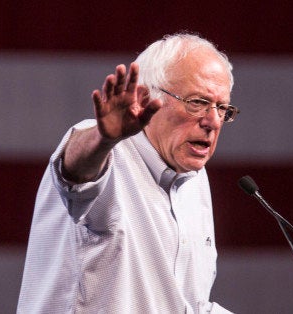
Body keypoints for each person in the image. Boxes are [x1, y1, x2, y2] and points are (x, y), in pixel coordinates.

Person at [17, 33, 239, 313]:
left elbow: (187, 305)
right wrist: (103, 138)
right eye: (197, 102)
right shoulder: (108, 153)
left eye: (222, 108)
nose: (213, 121)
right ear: (147, 99)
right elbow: (74, 174)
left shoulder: (195, 179)